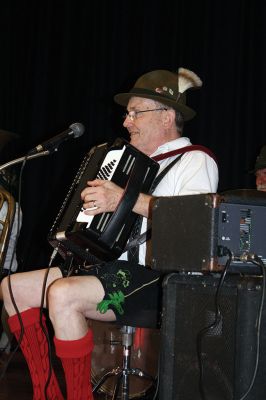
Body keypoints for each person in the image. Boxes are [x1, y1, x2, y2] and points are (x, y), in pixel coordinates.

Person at [1, 68, 218, 400]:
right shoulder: (129, 162)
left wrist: (122, 199)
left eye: (135, 112)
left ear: (166, 116)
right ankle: (46, 394)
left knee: (63, 294)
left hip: (160, 278)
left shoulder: (196, 160)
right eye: (127, 113)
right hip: (111, 270)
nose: (126, 122)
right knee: (12, 287)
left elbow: (195, 221)